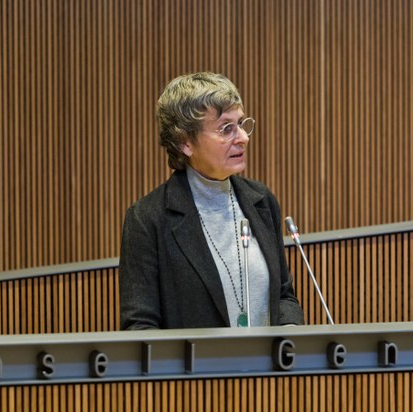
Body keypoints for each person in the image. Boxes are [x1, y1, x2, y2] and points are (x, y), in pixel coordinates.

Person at [119, 72, 304, 329]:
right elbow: (140, 326)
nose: (243, 137)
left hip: (270, 357)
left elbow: (283, 295)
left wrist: (290, 334)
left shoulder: (261, 201)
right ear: (185, 143)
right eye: (227, 128)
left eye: (241, 124)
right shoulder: (148, 219)